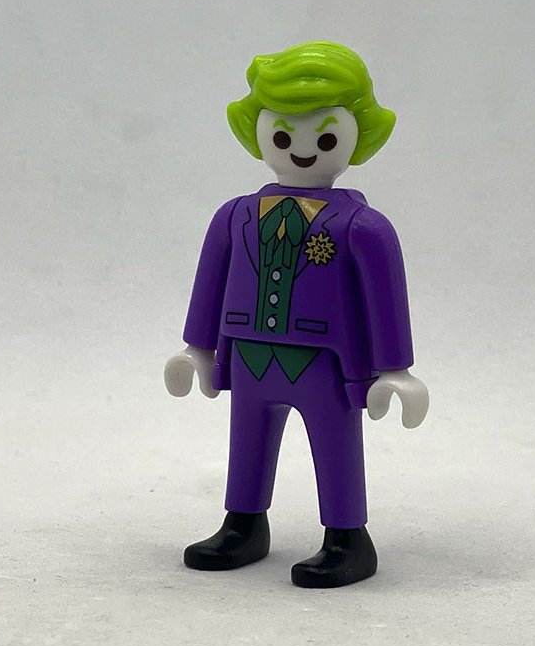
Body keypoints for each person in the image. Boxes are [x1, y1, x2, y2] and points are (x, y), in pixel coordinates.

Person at [165, 41, 429, 588]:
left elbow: (385, 297)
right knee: (247, 442)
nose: (303, 150)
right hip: (250, 354)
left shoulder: (362, 227)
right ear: (257, 131)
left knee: (335, 446)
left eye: (324, 137)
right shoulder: (234, 216)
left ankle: (347, 538)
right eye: (284, 135)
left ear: (358, 135)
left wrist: (395, 369)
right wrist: (197, 348)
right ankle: (243, 524)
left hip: (323, 361)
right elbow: (210, 282)